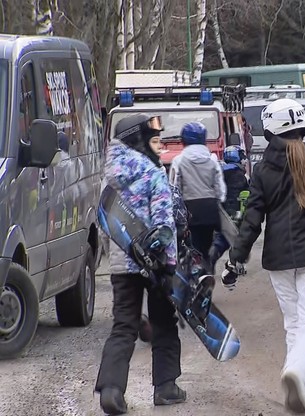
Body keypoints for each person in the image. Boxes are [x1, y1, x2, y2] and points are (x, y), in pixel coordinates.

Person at [228, 99, 305, 414]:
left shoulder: (263, 170)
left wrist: (236, 256)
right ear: (303, 126)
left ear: (269, 130)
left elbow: (252, 220)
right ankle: (297, 371)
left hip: (278, 259)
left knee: (294, 323)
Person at [95, 114, 185, 415]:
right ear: (137, 140)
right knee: (163, 323)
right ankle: (166, 387)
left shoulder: (108, 177)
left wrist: (118, 258)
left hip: (123, 265)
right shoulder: (152, 172)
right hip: (157, 264)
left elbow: (105, 223)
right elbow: (163, 221)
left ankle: (111, 390)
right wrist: (166, 259)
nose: (158, 146)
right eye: (153, 139)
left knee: (124, 326)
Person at [169, 122, 226, 272]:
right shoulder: (212, 159)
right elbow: (220, 189)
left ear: (184, 140)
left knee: (191, 248)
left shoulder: (179, 160)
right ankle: (208, 271)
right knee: (208, 245)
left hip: (189, 211)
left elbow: (173, 188)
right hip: (210, 209)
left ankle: (193, 278)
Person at [210, 145, 250, 288]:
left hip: (217, 211)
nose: (244, 159)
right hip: (232, 214)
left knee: (221, 240)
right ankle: (230, 269)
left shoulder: (220, 170)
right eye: (242, 156)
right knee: (229, 241)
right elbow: (238, 196)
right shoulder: (237, 174)